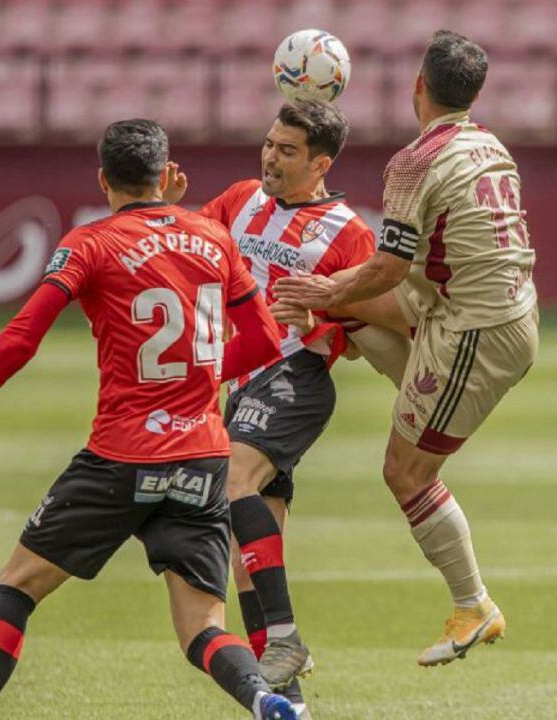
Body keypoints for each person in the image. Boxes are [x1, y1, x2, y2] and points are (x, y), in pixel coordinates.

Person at [0, 119, 299, 720]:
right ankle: (263, 699)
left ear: (102, 178)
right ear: (166, 174)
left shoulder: (89, 243)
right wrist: (198, 378)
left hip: (122, 456)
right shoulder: (213, 237)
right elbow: (267, 339)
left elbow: (22, 337)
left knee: (17, 585)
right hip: (200, 456)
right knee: (201, 626)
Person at [275, 31, 539, 667]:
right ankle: (347, 338)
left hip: (472, 330)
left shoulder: (415, 162)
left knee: (405, 472)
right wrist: (332, 297)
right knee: (339, 304)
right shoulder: (491, 145)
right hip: (466, 307)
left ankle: (474, 606)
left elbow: (388, 269)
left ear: (417, 86)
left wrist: (323, 287)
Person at [164, 100, 406, 702]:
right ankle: (288, 705)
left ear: (320, 162)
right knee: (249, 559)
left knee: (233, 475)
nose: (270, 156)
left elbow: (385, 323)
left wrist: (325, 306)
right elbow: (190, 256)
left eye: (287, 150)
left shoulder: (349, 232)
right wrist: (162, 210)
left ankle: (288, 635)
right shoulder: (241, 198)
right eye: (270, 143)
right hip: (241, 381)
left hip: (295, 376)